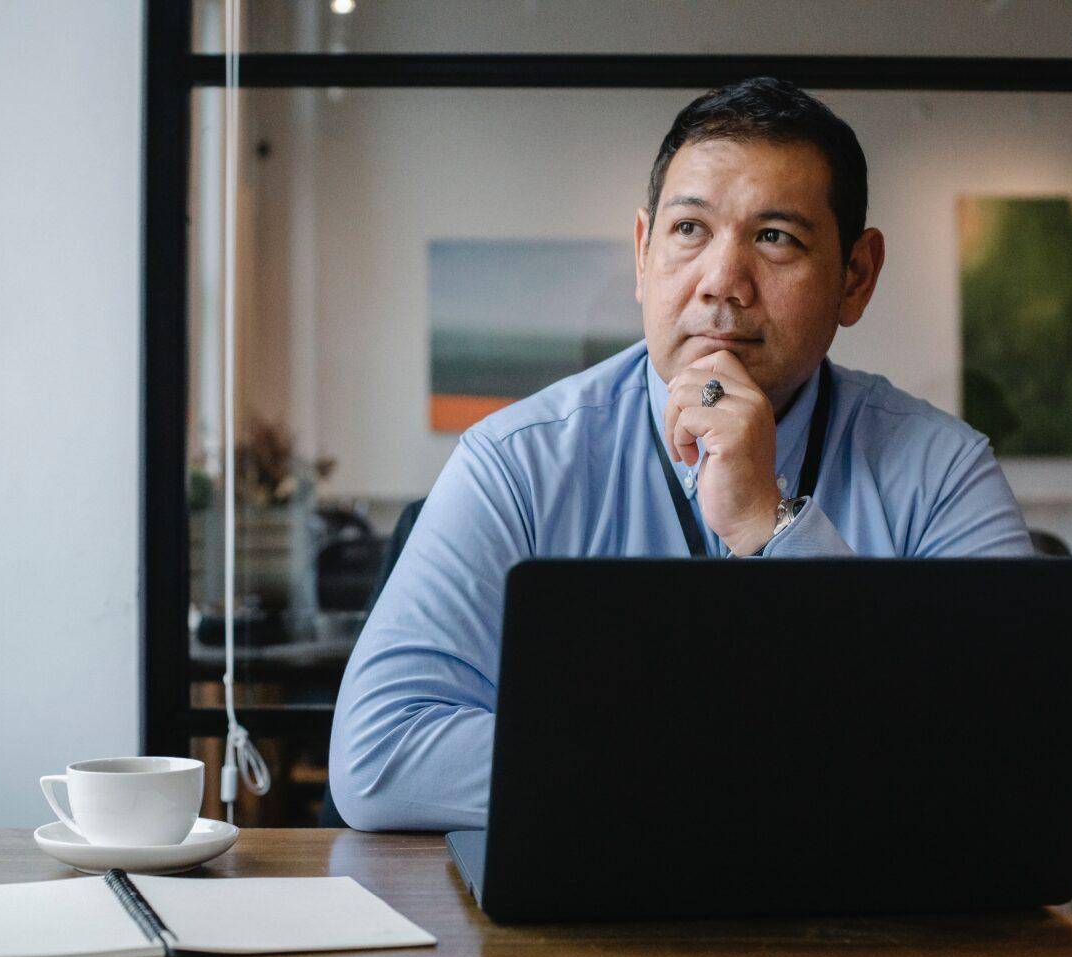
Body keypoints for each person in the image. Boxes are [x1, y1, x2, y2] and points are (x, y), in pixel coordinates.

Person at [329, 77, 1033, 832]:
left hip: (855, 935)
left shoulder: (941, 471)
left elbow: (1020, 755)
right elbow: (380, 754)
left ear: (854, 278)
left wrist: (773, 526)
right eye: (690, 231)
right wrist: (733, 759)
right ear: (643, 252)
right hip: (581, 933)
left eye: (776, 238)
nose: (722, 284)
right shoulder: (517, 463)